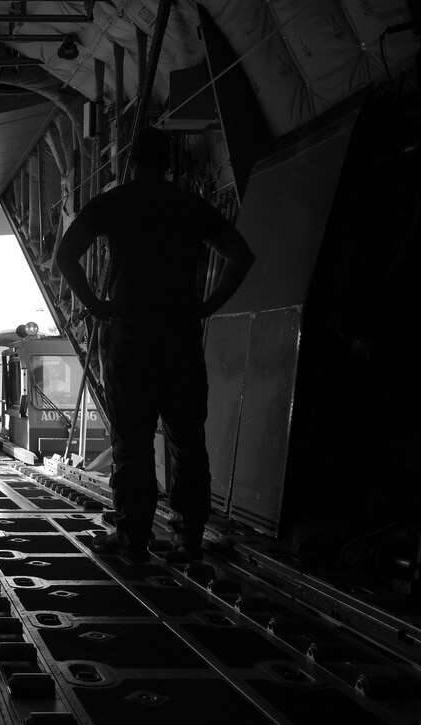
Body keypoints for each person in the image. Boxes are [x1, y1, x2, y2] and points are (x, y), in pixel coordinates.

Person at [55, 126, 255, 562]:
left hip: (129, 334)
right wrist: (208, 305)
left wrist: (95, 304)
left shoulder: (113, 203)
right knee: (187, 436)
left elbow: (65, 256)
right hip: (180, 332)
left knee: (132, 439)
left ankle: (133, 537)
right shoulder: (190, 205)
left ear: (130, 161)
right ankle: (189, 536)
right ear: (169, 162)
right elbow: (241, 255)